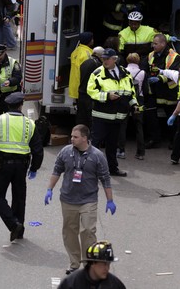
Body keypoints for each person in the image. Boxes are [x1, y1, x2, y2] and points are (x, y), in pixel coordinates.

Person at [46, 124, 115, 275]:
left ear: (85, 138)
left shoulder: (97, 156)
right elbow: (57, 170)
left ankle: (88, 264)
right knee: (69, 232)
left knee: (88, 231)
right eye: (71, 136)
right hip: (68, 199)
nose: (72, 139)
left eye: (75, 137)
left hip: (88, 200)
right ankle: (74, 263)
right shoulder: (65, 152)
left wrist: (110, 200)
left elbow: (105, 179)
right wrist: (49, 189)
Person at [0, 92, 44, 242]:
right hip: (22, 166)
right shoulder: (30, 123)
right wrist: (34, 168)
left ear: (7, 105)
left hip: (3, 165)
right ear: (21, 105)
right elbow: (38, 150)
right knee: (19, 198)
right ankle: (19, 230)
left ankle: (13, 224)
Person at [87, 48, 139, 177]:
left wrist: (134, 105)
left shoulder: (125, 73)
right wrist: (106, 96)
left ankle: (113, 169)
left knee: (112, 145)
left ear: (114, 59)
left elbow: (130, 92)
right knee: (95, 145)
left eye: (107, 59)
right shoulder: (97, 73)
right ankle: (90, 170)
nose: (104, 61)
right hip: (101, 116)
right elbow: (91, 91)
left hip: (118, 117)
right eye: (103, 58)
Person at [57, 240, 126, 289]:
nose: (107, 268)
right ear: (92, 263)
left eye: (108, 264)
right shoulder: (72, 283)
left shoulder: (115, 285)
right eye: (104, 264)